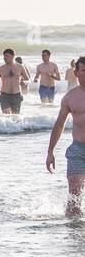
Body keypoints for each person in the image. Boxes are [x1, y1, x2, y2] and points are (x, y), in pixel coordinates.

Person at [46, 58, 85, 215]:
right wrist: (50, 152)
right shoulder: (69, 97)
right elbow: (59, 125)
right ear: (76, 73)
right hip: (77, 150)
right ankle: (73, 232)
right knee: (74, 197)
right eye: (84, 71)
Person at [0, 48, 28, 115]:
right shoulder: (0, 69)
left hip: (17, 96)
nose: (4, 58)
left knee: (15, 117)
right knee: (7, 115)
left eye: (6, 56)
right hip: (5, 96)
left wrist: (23, 82)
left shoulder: (20, 67)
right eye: (4, 56)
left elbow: (27, 79)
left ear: (13, 56)